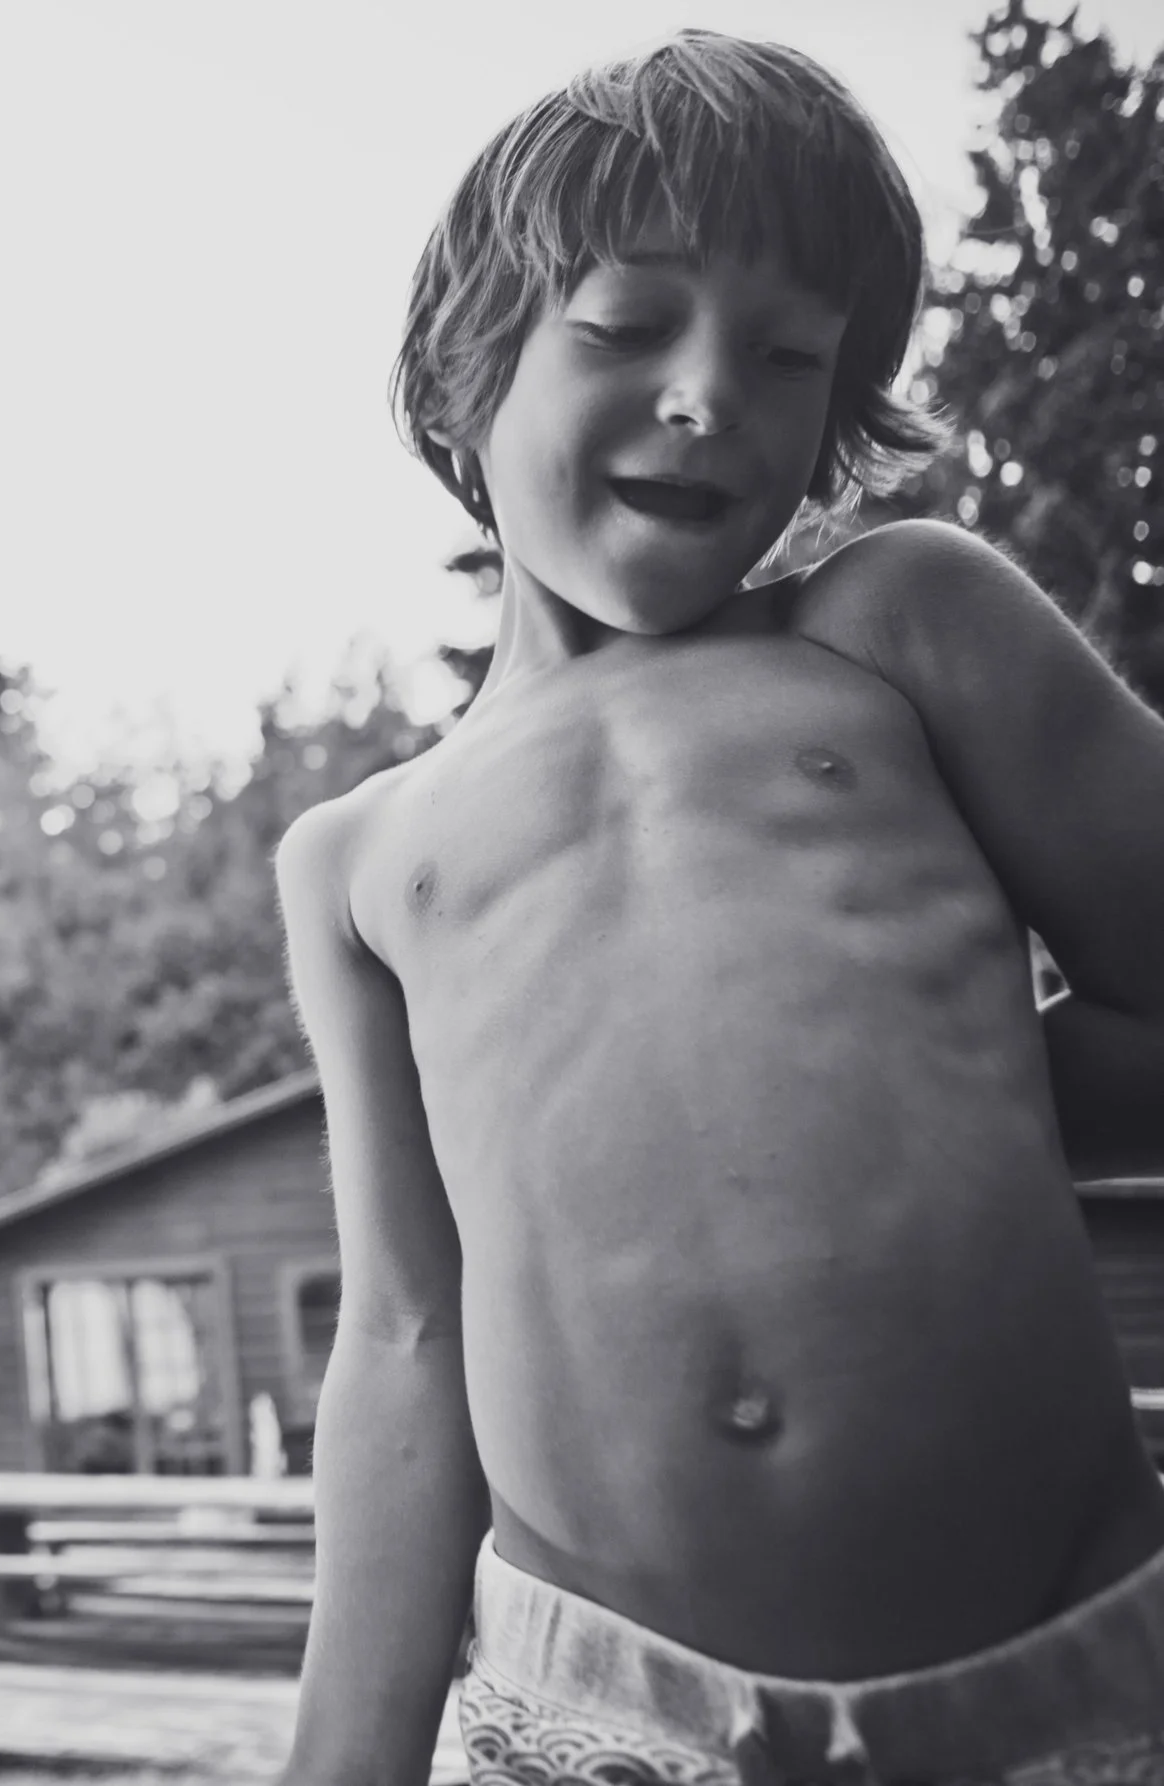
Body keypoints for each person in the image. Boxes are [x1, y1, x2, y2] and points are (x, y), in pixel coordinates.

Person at [274, 31, 1164, 1785]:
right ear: (468, 370)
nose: (710, 396)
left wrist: (940, 1095)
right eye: (626, 328)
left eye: (787, 359)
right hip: (597, 1714)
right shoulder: (362, 855)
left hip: (1062, 1678)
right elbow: (404, 1330)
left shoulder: (904, 628)